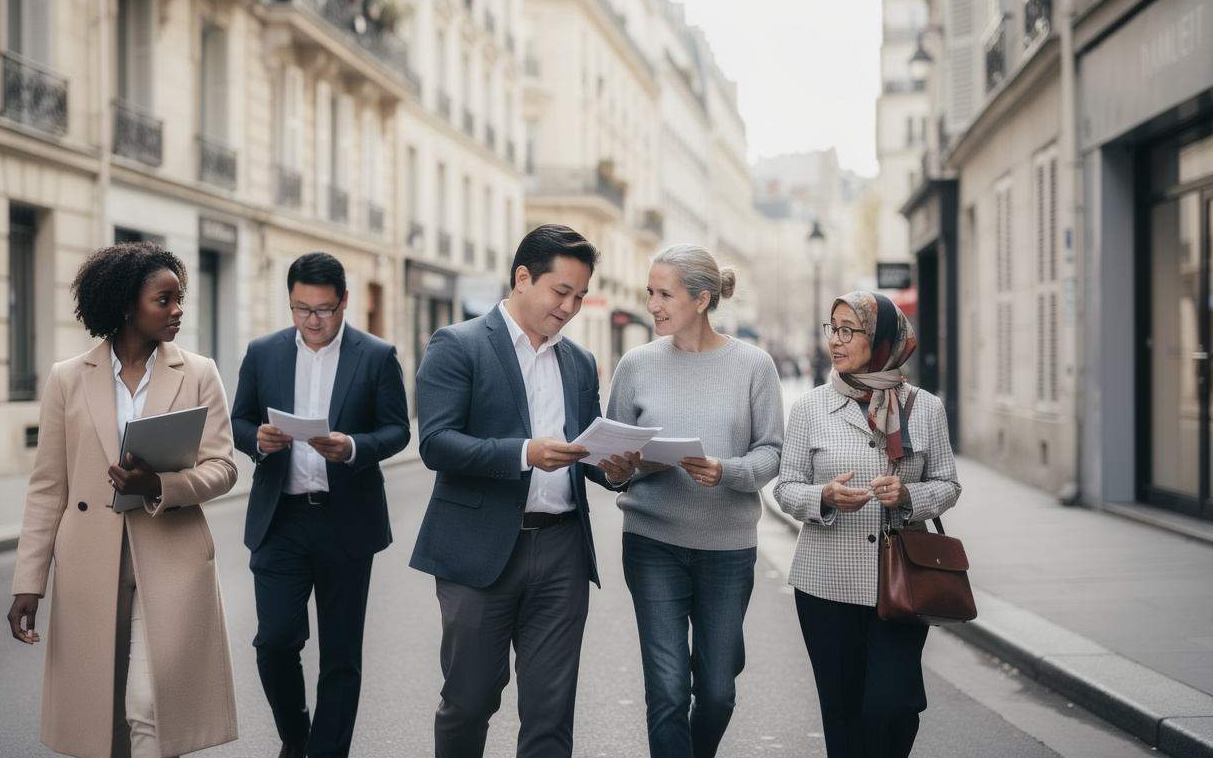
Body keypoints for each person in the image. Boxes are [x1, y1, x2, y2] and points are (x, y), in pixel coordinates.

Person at [410, 224, 638, 758]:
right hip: (479, 547)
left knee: (551, 713)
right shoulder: (458, 344)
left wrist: (619, 469)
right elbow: (437, 444)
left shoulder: (580, 363)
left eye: (580, 296)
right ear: (522, 277)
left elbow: (588, 451)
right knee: (469, 701)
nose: (571, 307)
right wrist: (523, 454)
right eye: (561, 292)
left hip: (561, 551)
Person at [7, 241, 239, 758]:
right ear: (126, 304)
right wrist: (29, 580)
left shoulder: (199, 372)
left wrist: (158, 486)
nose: (178, 309)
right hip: (90, 564)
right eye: (165, 299)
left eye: (180, 298)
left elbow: (223, 468)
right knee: (103, 721)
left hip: (172, 559)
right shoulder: (67, 378)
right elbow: (48, 488)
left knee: (148, 707)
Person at [605, 244, 785, 757]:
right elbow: (614, 459)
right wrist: (630, 466)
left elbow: (772, 453)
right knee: (665, 692)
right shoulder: (635, 365)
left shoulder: (754, 366)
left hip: (727, 548)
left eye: (665, 294)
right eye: (649, 292)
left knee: (717, 692)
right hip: (651, 541)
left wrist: (725, 471)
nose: (652, 304)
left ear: (702, 300)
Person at [231, 251, 410, 758]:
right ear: (290, 302)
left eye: (325, 310)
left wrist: (353, 447)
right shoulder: (262, 353)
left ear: (345, 302)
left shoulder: (376, 355)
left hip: (345, 520)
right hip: (280, 518)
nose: (312, 321)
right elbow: (238, 420)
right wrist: (257, 440)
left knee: (340, 655)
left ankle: (327, 752)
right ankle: (295, 733)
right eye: (301, 309)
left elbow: (398, 429)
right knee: (274, 641)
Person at [773, 291, 960, 758]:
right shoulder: (809, 408)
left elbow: (948, 484)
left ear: (881, 340)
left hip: (900, 585)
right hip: (825, 584)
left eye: (848, 330)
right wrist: (824, 497)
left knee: (893, 704)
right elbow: (785, 488)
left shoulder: (924, 407)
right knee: (842, 712)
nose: (835, 341)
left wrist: (910, 496)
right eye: (831, 328)